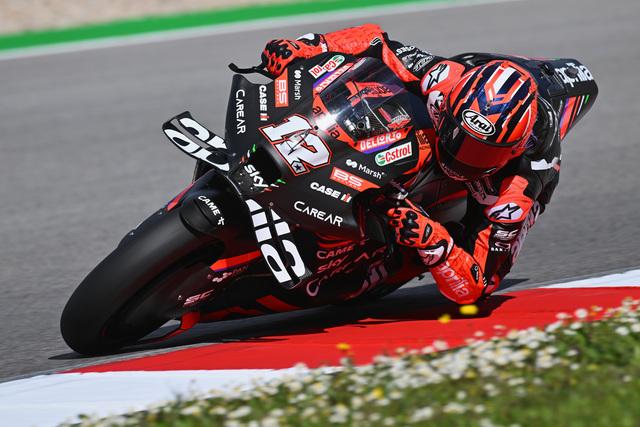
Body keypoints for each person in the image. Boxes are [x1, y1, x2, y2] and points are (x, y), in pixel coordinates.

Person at [260, 24, 578, 305]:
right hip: (464, 95)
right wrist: (306, 48)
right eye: (460, 138)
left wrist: (433, 240)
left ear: (514, 149)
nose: (464, 157)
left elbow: (479, 284)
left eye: (483, 153)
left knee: (445, 239)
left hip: (492, 193)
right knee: (376, 100)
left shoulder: (518, 189)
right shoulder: (444, 78)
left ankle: (393, 256)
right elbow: (375, 42)